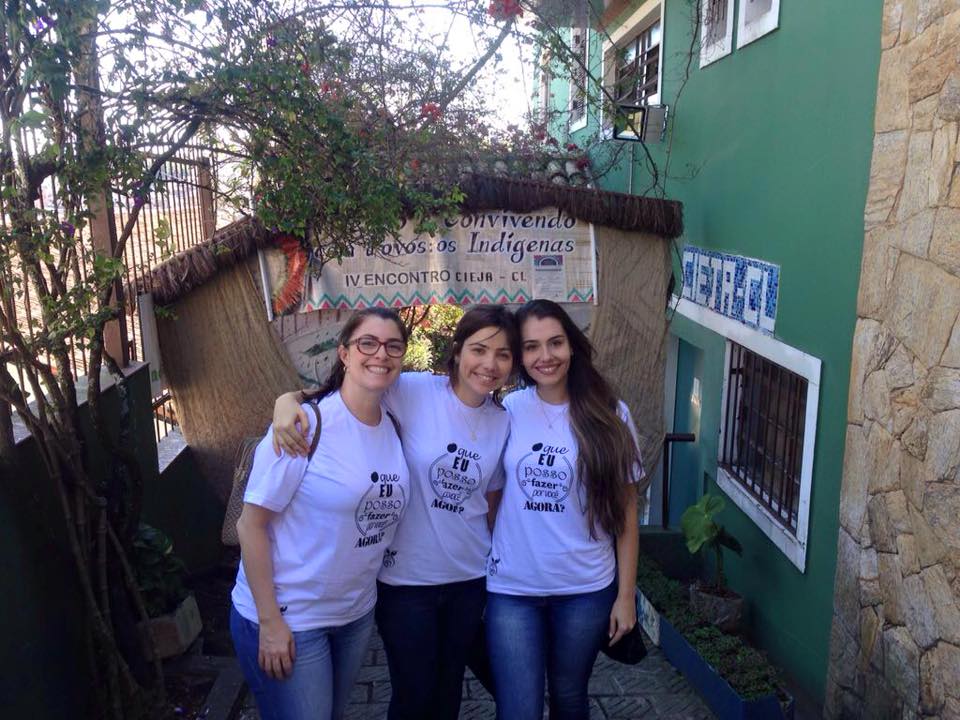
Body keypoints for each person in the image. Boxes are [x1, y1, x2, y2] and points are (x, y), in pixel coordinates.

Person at [271, 305, 519, 720]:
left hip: (469, 580)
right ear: (458, 350)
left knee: (449, 688)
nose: (489, 364)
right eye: (479, 350)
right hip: (405, 583)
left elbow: (490, 502)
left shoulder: (503, 420)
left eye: (503, 354)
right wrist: (286, 402)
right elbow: (342, 390)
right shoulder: (413, 389)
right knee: (412, 694)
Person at [230, 307, 411, 720]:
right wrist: (270, 622)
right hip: (292, 618)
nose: (380, 354)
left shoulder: (393, 424)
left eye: (393, 346)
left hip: (355, 614)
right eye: (368, 343)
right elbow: (250, 524)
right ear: (344, 353)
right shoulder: (303, 426)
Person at [484, 299, 645, 720]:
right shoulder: (508, 411)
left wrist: (626, 597)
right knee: (518, 708)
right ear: (520, 356)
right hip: (513, 589)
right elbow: (492, 497)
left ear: (572, 345)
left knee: (569, 696)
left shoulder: (611, 413)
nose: (546, 356)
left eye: (555, 342)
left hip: (585, 589)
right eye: (531, 346)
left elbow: (628, 516)